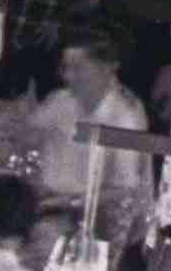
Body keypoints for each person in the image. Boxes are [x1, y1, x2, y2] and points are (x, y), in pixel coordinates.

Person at [37, 33, 149, 247]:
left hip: (96, 221)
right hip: (50, 207)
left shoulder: (124, 118)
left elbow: (125, 189)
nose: (68, 76)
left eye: (78, 68)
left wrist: (68, 203)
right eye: (65, 68)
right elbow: (30, 132)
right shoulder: (60, 101)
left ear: (106, 69)